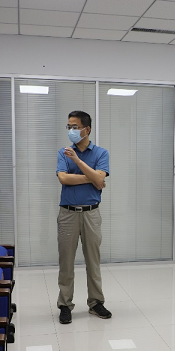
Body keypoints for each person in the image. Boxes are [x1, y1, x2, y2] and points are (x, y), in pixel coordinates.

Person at [55, 111, 111, 324]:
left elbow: (100, 177)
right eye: (68, 126)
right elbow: (63, 178)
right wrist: (92, 178)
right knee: (66, 262)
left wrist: (77, 161)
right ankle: (65, 304)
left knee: (93, 261)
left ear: (87, 129)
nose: (71, 130)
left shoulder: (101, 153)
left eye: (75, 127)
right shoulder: (64, 152)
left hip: (91, 213)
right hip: (68, 213)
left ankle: (96, 302)